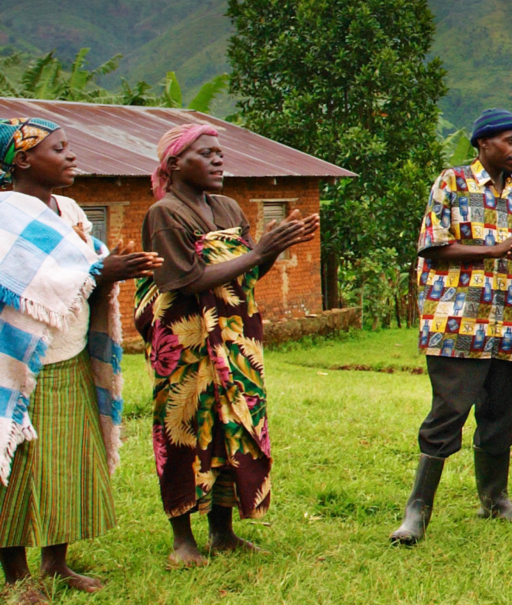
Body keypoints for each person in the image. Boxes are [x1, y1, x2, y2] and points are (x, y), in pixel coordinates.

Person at [136, 124, 320, 565]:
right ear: (175, 163)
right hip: (186, 342)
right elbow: (183, 279)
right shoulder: (165, 213)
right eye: (207, 153)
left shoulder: (227, 206)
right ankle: (183, 540)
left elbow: (246, 273)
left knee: (231, 427)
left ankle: (223, 532)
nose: (220, 160)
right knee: (183, 428)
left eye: (221, 152)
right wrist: (259, 251)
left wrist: (277, 245)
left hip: (236, 337)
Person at [0, 118, 159, 601]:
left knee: (67, 461)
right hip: (27, 363)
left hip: (70, 355)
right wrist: (100, 268)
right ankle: (17, 576)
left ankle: (56, 563)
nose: (71, 156)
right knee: (22, 465)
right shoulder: (5, 214)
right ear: (23, 160)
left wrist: (111, 272)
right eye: (59, 149)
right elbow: (30, 283)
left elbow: (82, 273)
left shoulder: (68, 209)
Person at [391, 109, 512, 545]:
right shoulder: (453, 181)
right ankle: (417, 510)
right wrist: (499, 246)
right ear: (483, 143)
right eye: (510, 141)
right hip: (458, 320)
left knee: (502, 416)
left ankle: (495, 500)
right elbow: (433, 247)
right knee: (448, 413)